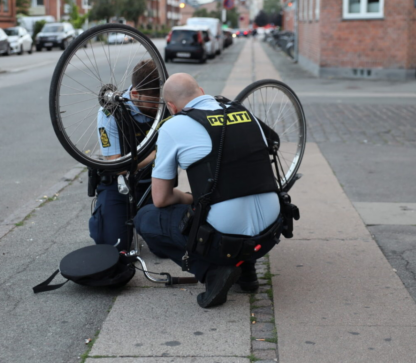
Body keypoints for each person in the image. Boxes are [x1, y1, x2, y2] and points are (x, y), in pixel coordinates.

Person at [134, 73, 283, 308]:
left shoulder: (174, 126)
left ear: (171, 107)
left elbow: (161, 198)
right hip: (270, 234)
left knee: (146, 217)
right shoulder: (246, 114)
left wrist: (187, 197)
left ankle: (212, 272)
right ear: (202, 92)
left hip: (225, 240)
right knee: (238, 193)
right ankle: (247, 271)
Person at [89, 59, 161, 251]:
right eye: (154, 103)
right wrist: (159, 153)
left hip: (156, 183)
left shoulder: (165, 103)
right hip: (120, 184)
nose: (158, 108)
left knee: (165, 246)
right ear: (136, 94)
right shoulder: (110, 112)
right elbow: (117, 165)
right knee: (112, 245)